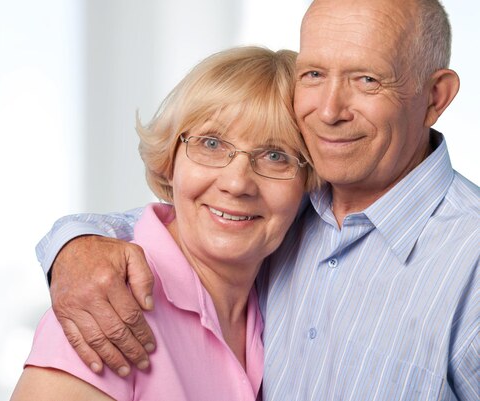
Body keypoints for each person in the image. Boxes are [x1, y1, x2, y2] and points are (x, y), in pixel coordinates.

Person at [38, 0, 479, 399]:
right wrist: (74, 246)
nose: (329, 111)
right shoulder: (107, 305)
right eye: (314, 74)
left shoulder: (467, 260)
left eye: (367, 79)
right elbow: (184, 219)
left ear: (435, 96)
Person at [12, 46, 319, 400]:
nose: (236, 183)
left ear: (308, 184)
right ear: (170, 162)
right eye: (212, 143)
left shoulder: (278, 308)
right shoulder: (104, 310)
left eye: (275, 156)